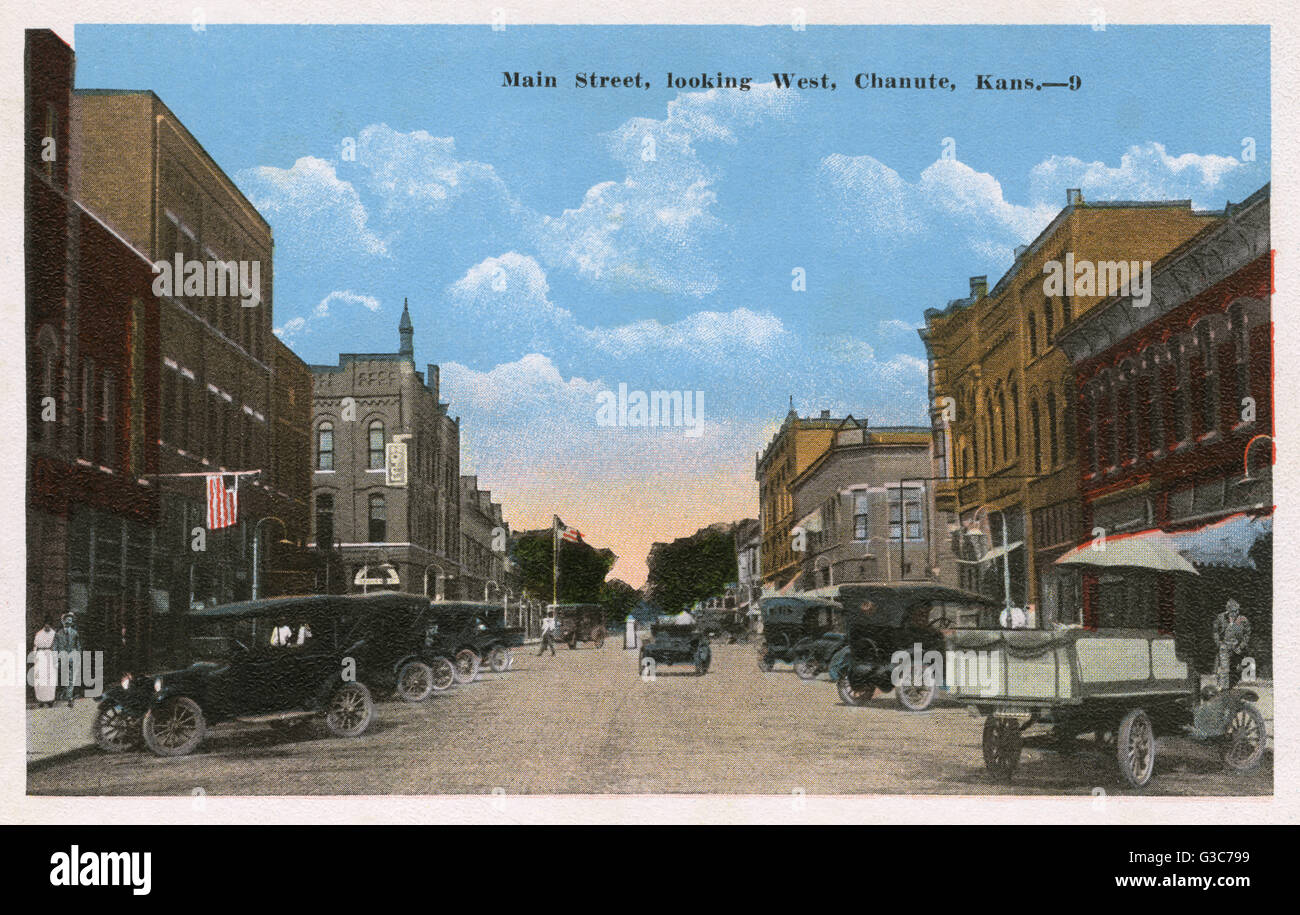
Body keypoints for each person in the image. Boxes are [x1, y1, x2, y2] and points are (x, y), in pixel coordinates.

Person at [1214, 599, 1252, 688]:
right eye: (1234, 611)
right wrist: (1219, 643)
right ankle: (1224, 689)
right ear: (1228, 611)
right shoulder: (1221, 618)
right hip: (1224, 646)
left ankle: (1231, 686)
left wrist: (1241, 646)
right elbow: (1215, 631)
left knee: (1236, 669)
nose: (1236, 613)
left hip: (1237, 647)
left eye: (1237, 610)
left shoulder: (1243, 620)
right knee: (1224, 668)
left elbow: (1247, 634)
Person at [52, 613, 82, 707]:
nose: (68, 622)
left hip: (73, 658)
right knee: (64, 678)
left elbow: (78, 646)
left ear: (72, 622)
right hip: (63, 658)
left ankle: (69, 697)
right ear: (63, 621)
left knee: (71, 679)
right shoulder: (58, 634)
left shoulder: (75, 633)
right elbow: (54, 647)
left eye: (70, 620)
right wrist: (55, 659)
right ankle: (64, 694)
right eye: (66, 620)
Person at [32, 620, 57, 708]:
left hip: (50, 655)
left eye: (49, 625)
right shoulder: (39, 634)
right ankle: (41, 699)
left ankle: (50, 700)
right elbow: (35, 646)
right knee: (40, 677)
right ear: (44, 625)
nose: (47, 626)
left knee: (50, 678)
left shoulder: (54, 634)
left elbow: (56, 646)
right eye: (46, 624)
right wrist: (35, 657)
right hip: (41, 656)